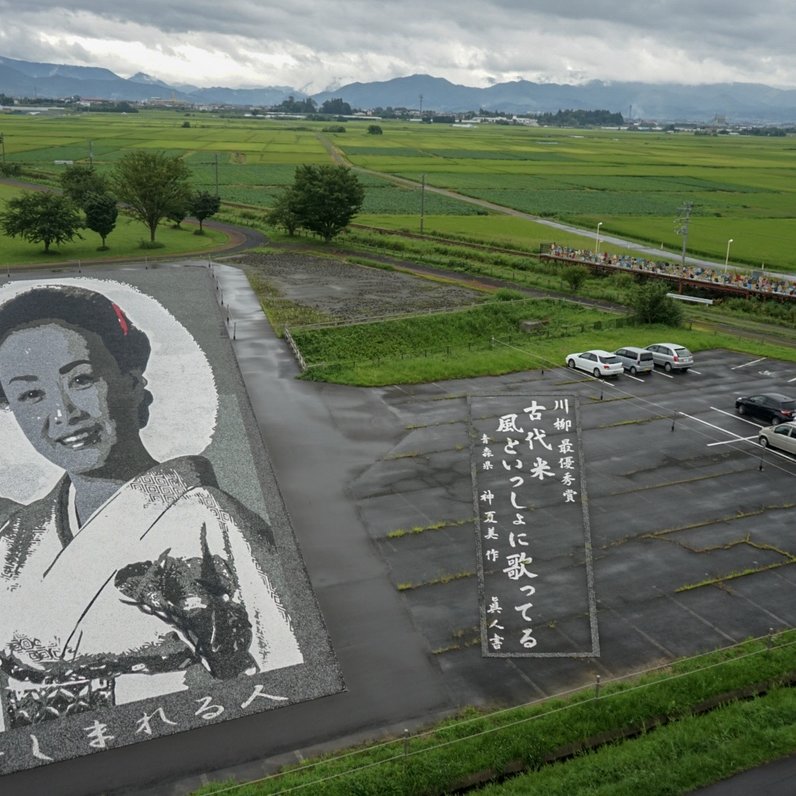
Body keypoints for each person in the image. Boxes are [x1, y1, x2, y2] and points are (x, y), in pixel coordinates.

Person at [0, 285, 302, 730]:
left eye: (81, 380)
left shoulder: (209, 520)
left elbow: (284, 668)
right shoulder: (14, 539)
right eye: (30, 396)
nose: (63, 414)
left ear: (131, 379)